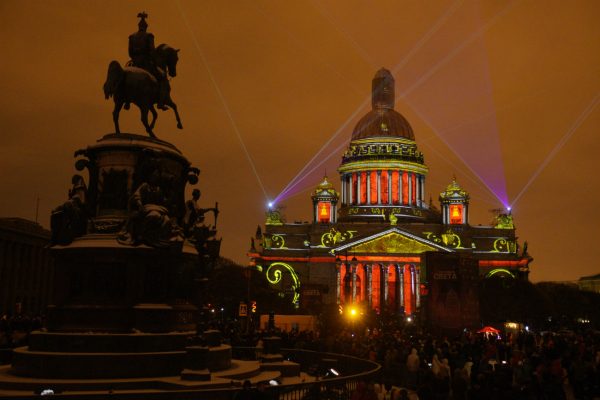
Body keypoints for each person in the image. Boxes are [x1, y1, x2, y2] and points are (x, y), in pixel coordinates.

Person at [128, 12, 168, 110]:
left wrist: (134, 58)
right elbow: (152, 51)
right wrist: (153, 60)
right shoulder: (149, 36)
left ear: (139, 26)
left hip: (134, 62)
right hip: (145, 62)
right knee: (162, 77)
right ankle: (161, 103)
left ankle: (127, 101)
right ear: (146, 27)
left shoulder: (132, 37)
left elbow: (130, 52)